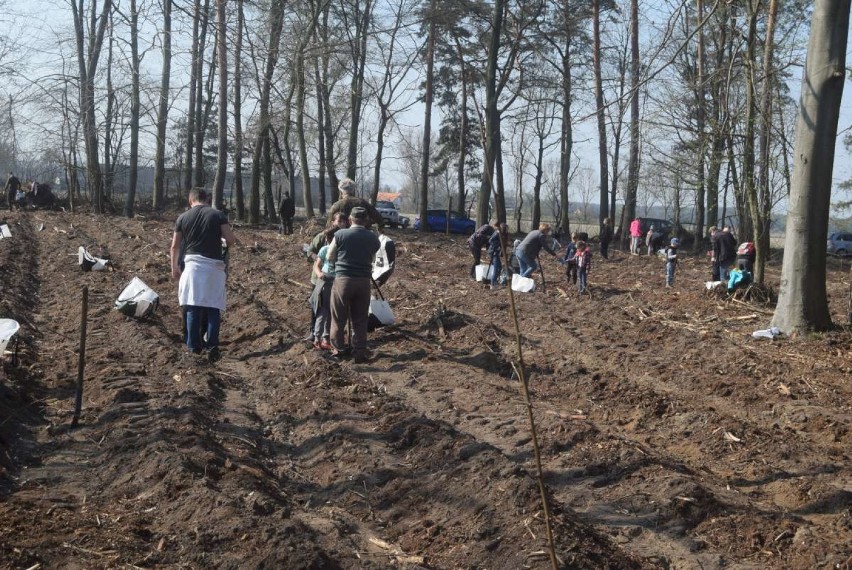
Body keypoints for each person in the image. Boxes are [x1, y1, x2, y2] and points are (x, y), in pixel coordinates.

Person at [170, 188, 236, 362]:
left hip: (192, 266)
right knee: (213, 307)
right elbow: (230, 240)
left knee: (192, 306)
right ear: (206, 199)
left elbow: (175, 246)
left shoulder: (182, 218)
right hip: (213, 267)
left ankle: (193, 347)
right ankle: (212, 346)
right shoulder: (217, 215)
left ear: (190, 200)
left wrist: (174, 267)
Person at [327, 206, 381, 363]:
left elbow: (330, 255)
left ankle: (338, 350)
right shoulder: (373, 237)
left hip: (343, 280)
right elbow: (372, 258)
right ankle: (359, 352)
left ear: (350, 220)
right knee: (360, 319)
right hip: (364, 281)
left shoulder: (340, 234)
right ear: (365, 221)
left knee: (338, 317)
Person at [311, 227, 339, 350]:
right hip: (327, 281)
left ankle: (324, 339)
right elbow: (316, 265)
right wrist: (320, 275)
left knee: (328, 311)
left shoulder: (337, 250)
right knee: (325, 310)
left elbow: (316, 266)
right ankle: (319, 338)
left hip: (334, 281)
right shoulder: (326, 249)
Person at [486, 222, 508, 289]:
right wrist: (498, 245)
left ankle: (494, 281)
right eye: (506, 229)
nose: (507, 230)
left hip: (496, 252)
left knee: (499, 267)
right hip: (493, 252)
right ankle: (492, 284)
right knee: (497, 268)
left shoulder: (501, 234)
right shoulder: (497, 233)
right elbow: (490, 241)